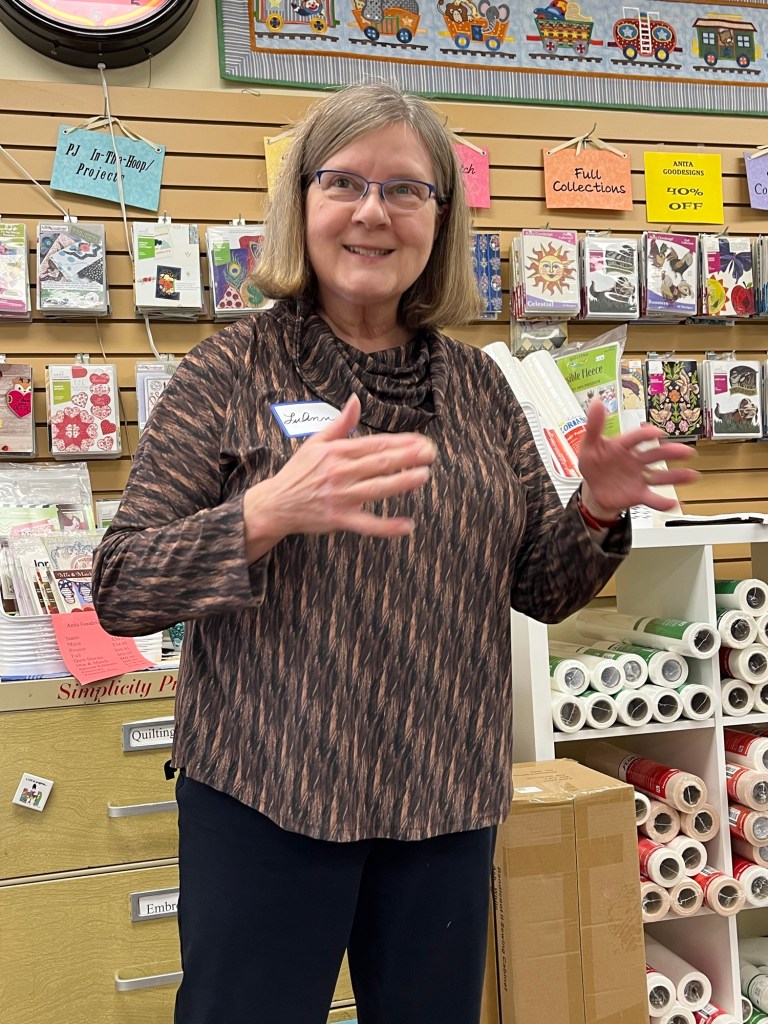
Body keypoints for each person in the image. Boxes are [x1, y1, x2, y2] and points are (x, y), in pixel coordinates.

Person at [92, 82, 697, 1024]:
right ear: (302, 200)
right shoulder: (227, 372)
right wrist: (263, 513)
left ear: (439, 220)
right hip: (268, 793)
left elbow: (541, 588)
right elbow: (123, 586)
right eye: (344, 182)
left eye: (405, 190)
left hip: (442, 803)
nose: (373, 213)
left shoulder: (479, 388)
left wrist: (594, 511)